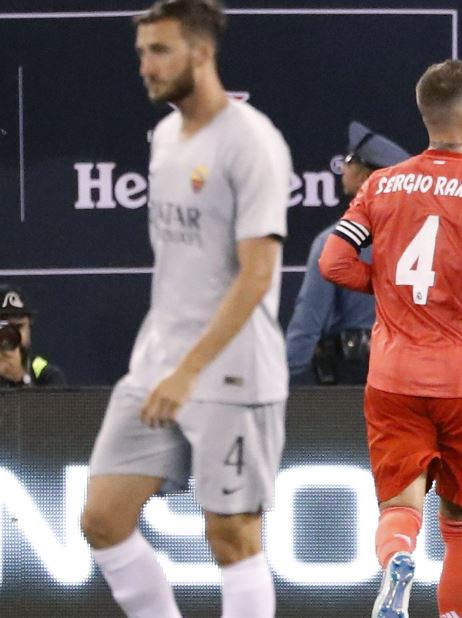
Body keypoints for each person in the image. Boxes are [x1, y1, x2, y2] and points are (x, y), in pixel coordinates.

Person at [80, 2, 291, 616]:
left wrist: (189, 372)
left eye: (160, 51)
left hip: (231, 373)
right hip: (157, 365)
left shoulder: (252, 143)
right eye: (142, 52)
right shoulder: (168, 136)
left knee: (231, 537)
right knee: (102, 518)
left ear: (202, 52)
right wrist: (167, 365)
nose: (146, 65)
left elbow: (256, 276)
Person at [319, 59, 462, 618]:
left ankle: (397, 558)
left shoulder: (383, 184)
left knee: (400, 507)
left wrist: (387, 285)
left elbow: (333, 260)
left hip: (394, 375)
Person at [285, 122, 409, 384]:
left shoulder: (336, 243)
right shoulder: (423, 240)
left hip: (354, 380)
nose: (343, 166)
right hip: (414, 374)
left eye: (350, 160)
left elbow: (308, 322)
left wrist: (279, 375)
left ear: (366, 178)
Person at [0, 284, 65, 387]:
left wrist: (20, 379)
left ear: (29, 326)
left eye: (18, 327)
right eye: (4, 327)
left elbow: (54, 403)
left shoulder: (45, 375)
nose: (11, 335)